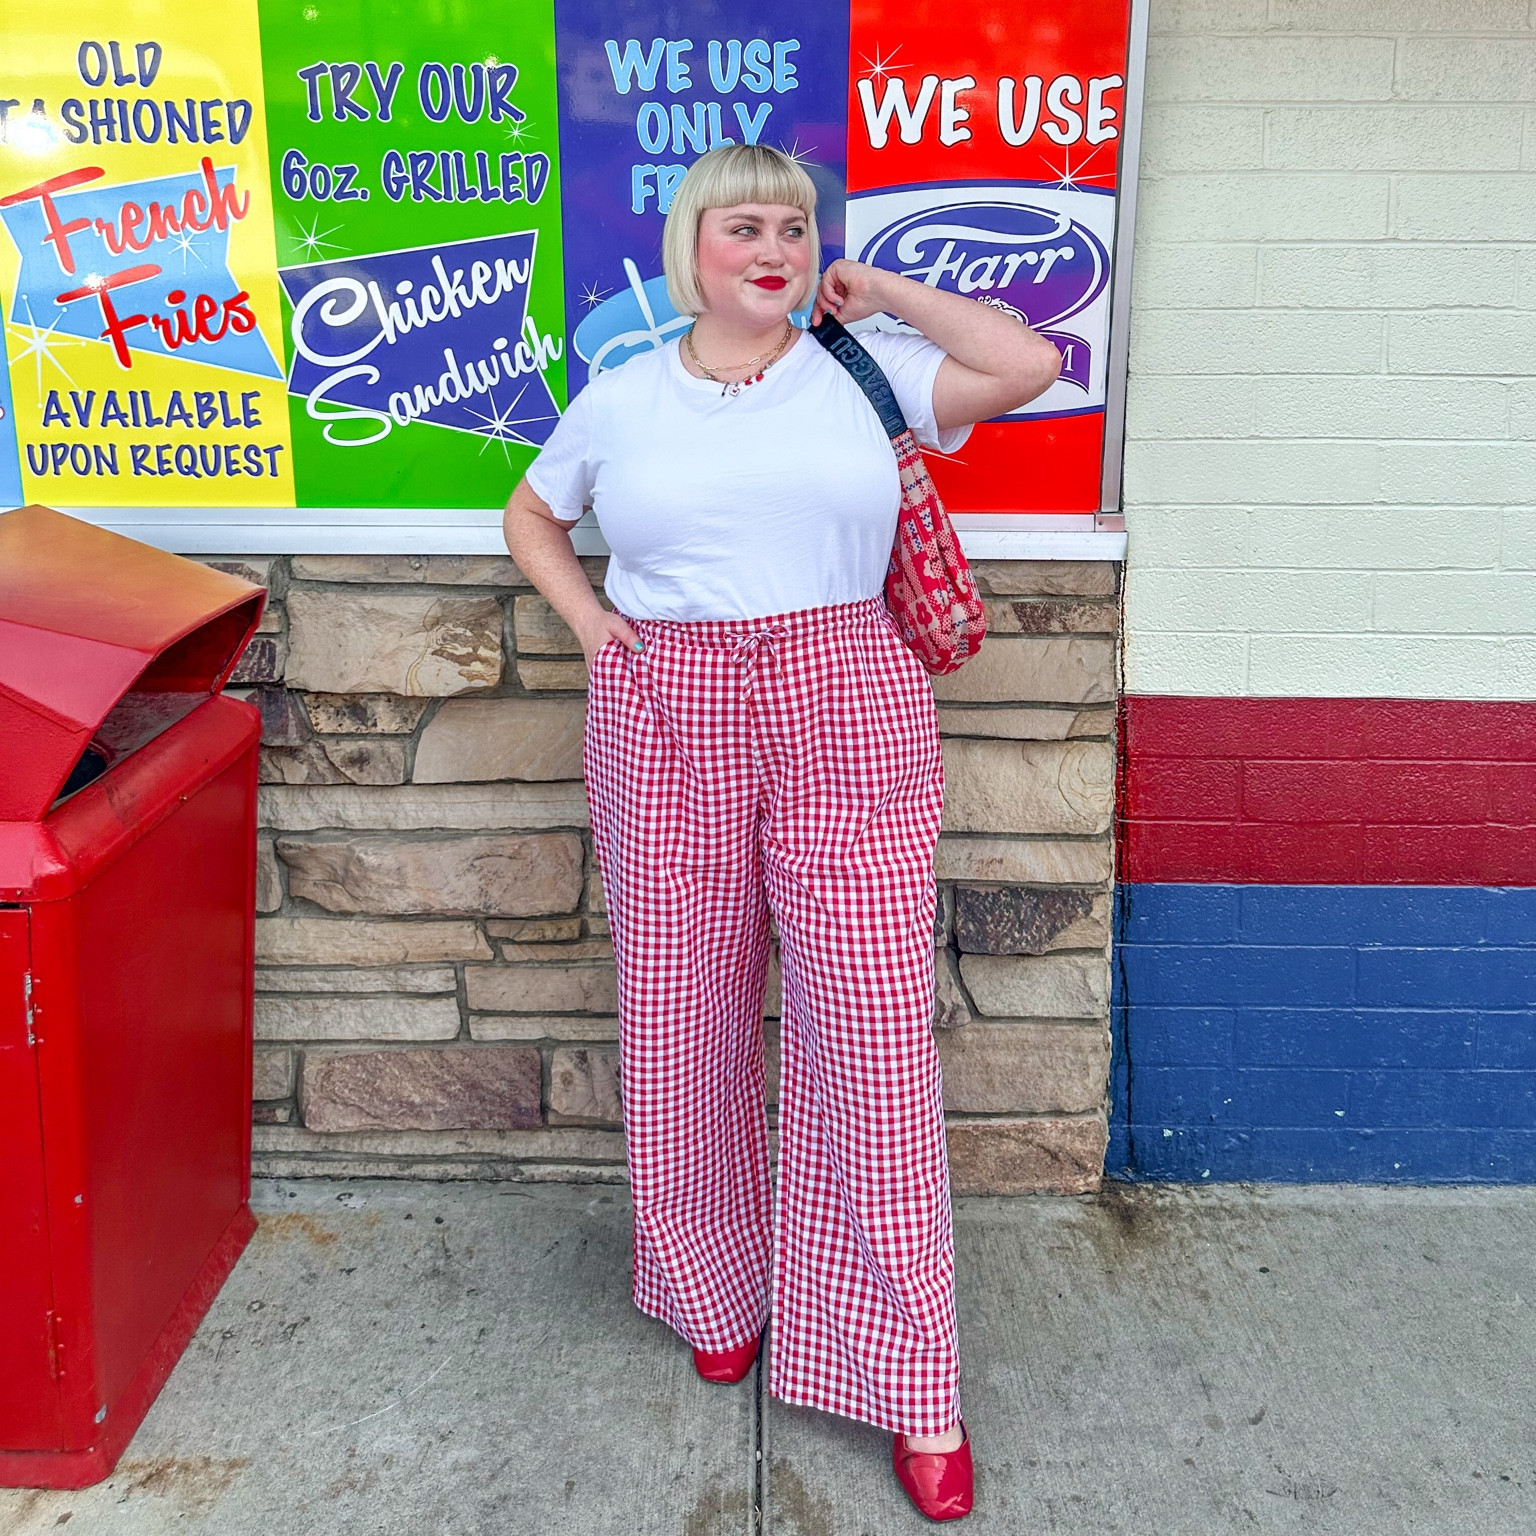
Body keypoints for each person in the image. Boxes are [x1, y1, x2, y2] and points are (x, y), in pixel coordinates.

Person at [503, 143, 1061, 1522]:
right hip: (665, 704)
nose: (776, 246)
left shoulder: (864, 375)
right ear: (693, 246)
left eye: (796, 226)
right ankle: (711, 1285)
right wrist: (596, 629)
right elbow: (532, 509)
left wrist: (890, 292)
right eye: (744, 226)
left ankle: (913, 1383)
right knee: (680, 1012)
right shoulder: (624, 396)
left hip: (844, 697)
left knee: (867, 1037)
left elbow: (1027, 363)